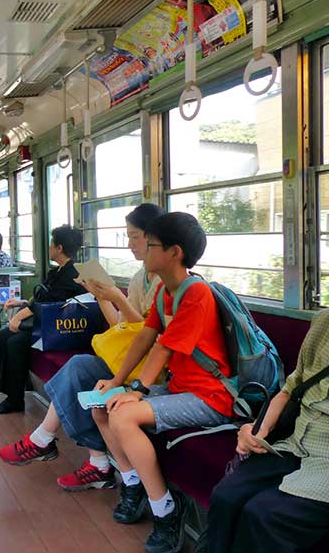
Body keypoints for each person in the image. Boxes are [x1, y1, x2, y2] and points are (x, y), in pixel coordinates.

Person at [201, 231, 329, 553]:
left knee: (265, 516)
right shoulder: (326, 323)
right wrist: (258, 429)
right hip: (292, 443)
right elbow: (292, 387)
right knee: (226, 496)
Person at [0, 203, 166, 491]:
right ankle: (82, 456)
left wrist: (119, 298)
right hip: (131, 357)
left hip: (151, 367)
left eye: (134, 236)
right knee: (76, 366)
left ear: (154, 238)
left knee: (80, 374)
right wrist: (102, 297)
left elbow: (152, 336)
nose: (130, 244)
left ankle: (52, 444)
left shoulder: (167, 281)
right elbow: (120, 329)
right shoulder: (140, 278)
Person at [91, 212, 233, 553]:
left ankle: (166, 510)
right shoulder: (164, 293)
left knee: (123, 415)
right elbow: (145, 338)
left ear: (175, 252)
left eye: (151, 244)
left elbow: (164, 349)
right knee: (101, 404)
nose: (142, 249)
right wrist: (116, 381)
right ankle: (133, 482)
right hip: (179, 388)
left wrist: (137, 391)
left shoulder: (196, 293)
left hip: (210, 397)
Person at [0, 225, 86, 414]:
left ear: (59, 248)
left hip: (59, 329)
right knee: (1, 337)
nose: (49, 247)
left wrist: (19, 317)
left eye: (51, 244)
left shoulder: (71, 275)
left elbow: (52, 304)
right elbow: (44, 298)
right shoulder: (56, 272)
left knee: (15, 343)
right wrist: (21, 302)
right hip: (46, 323)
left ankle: (15, 400)